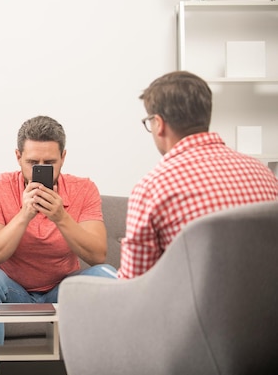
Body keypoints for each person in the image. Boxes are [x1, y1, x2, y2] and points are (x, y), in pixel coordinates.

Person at [0, 115, 116, 375]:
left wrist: (60, 216)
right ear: (17, 156)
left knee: (109, 276)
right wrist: (25, 214)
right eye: (32, 162)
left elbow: (98, 255)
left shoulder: (84, 189)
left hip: (63, 289)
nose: (41, 168)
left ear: (64, 157)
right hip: (12, 291)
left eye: (50, 162)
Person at [118, 71, 278, 279]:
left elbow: (133, 284)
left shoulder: (152, 187)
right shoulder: (264, 174)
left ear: (159, 123)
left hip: (196, 310)